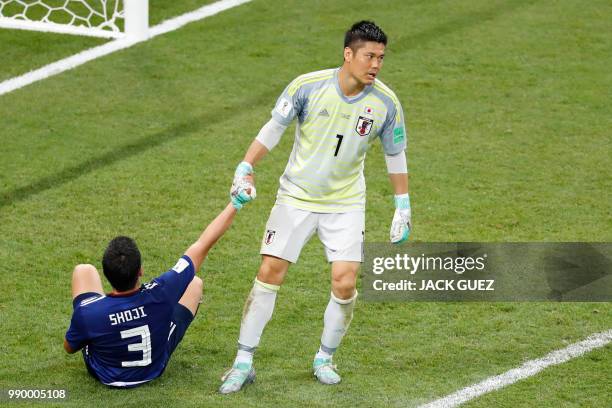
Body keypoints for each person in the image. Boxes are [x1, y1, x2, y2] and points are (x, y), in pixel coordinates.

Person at [222, 20, 411, 394]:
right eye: (369, 56)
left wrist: (402, 206)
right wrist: (246, 167)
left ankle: (325, 356)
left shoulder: (385, 103)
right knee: (270, 271)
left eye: (381, 58)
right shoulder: (308, 87)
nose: (375, 65)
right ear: (348, 54)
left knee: (345, 282)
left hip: (345, 202)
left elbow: (396, 153)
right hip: (296, 196)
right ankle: (243, 359)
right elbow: (273, 128)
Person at [64, 203, 245, 387]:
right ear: (140, 270)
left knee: (83, 270)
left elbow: (69, 347)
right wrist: (235, 203)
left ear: (106, 274)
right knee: (195, 284)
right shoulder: (162, 292)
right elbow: (203, 244)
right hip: (153, 369)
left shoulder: (89, 312)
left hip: (105, 375)